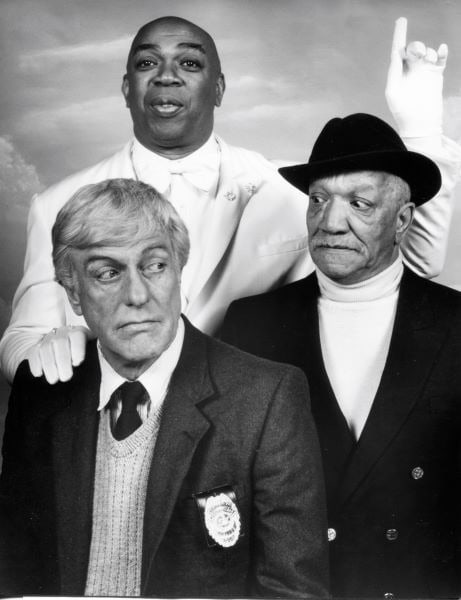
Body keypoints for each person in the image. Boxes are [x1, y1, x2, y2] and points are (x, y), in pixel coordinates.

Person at [0, 16, 460, 384]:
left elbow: (406, 264)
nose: (166, 76)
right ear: (126, 88)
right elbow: (22, 336)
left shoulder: (294, 191)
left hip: (243, 438)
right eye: (147, 63)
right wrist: (45, 358)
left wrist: (422, 128)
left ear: (219, 89)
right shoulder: (56, 203)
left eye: (189, 63)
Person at [0, 178, 329, 598]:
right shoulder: (41, 393)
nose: (137, 295)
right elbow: (12, 573)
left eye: (154, 265)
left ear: (179, 272)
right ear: (74, 295)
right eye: (107, 273)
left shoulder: (267, 397)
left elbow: (294, 592)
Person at [220, 113, 461, 598]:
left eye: (359, 203)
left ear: (403, 220)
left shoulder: (456, 324)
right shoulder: (250, 324)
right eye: (318, 199)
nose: (330, 222)